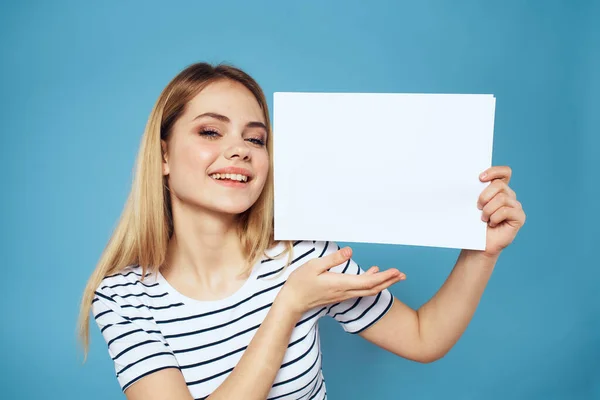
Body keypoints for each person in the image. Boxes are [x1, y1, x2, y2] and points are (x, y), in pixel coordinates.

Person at [77, 62, 526, 400]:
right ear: (163, 158)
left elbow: (424, 338)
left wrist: (481, 253)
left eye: (255, 139)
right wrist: (288, 305)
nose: (239, 150)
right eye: (211, 131)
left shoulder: (304, 253)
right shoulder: (123, 299)